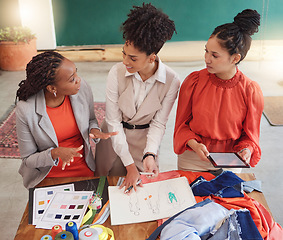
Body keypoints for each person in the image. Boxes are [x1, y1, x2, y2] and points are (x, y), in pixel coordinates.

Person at [95, 3, 180, 193]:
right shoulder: (115, 72)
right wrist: (130, 166)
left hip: (144, 144)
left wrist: (149, 154)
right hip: (112, 142)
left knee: (141, 198)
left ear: (151, 57)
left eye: (133, 59)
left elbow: (159, 123)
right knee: (104, 192)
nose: (125, 61)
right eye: (124, 54)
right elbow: (113, 121)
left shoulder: (171, 80)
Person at [174, 9, 264, 172]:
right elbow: (181, 126)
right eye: (206, 51)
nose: (207, 59)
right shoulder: (193, 82)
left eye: (215, 55)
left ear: (235, 58)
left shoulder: (250, 91)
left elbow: (250, 137)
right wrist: (195, 144)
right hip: (193, 157)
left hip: (230, 160)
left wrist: (247, 150)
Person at [16, 51, 117, 189]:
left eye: (76, 73)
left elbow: (91, 120)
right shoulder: (26, 110)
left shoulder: (82, 89)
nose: (78, 80)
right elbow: (28, 159)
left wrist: (94, 129)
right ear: (52, 88)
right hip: (47, 174)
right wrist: (55, 152)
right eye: (72, 79)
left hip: (83, 168)